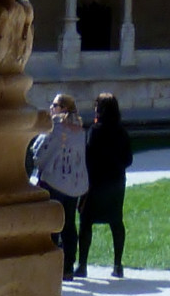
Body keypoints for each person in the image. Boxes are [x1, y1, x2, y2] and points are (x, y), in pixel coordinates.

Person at [32, 92, 89, 274]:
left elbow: (38, 152)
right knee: (69, 223)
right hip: (74, 184)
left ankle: (51, 264)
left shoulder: (55, 127)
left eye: (55, 105)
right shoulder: (79, 130)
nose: (51, 108)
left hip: (54, 181)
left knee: (53, 223)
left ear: (63, 108)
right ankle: (68, 266)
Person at [79, 90, 134, 280]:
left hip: (96, 182)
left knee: (86, 221)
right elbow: (128, 159)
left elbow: (89, 157)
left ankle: (83, 265)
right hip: (117, 181)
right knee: (116, 221)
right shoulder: (122, 132)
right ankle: (118, 264)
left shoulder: (95, 131)